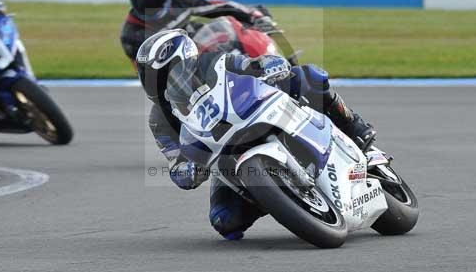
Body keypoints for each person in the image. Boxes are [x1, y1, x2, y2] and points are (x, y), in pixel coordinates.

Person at [136, 29, 377, 241]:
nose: (155, 83)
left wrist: (267, 65)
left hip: (254, 115)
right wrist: (187, 172)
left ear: (186, 61)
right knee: (225, 221)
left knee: (306, 76)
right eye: (148, 76)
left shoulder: (214, 62)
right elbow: (175, 161)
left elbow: (247, 65)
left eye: (164, 73)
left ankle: (352, 124)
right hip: (224, 158)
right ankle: (277, 195)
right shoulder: (159, 120)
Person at [120, 0, 277, 64]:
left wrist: (254, 15)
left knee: (235, 36)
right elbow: (152, 76)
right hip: (174, 81)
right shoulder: (132, 34)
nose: (149, 3)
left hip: (200, 47)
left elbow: (216, 7)